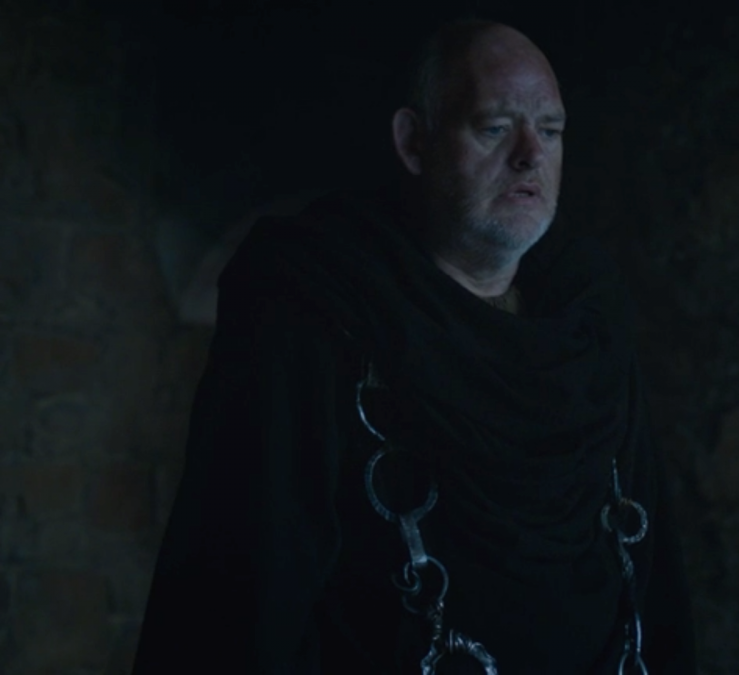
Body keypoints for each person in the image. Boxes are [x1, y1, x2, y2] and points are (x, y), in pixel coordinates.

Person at [132, 18, 697, 675]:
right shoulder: (316, 307)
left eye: (550, 130)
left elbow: (653, 573)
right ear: (413, 141)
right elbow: (245, 594)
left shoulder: (586, 313)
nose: (529, 156)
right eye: (495, 128)